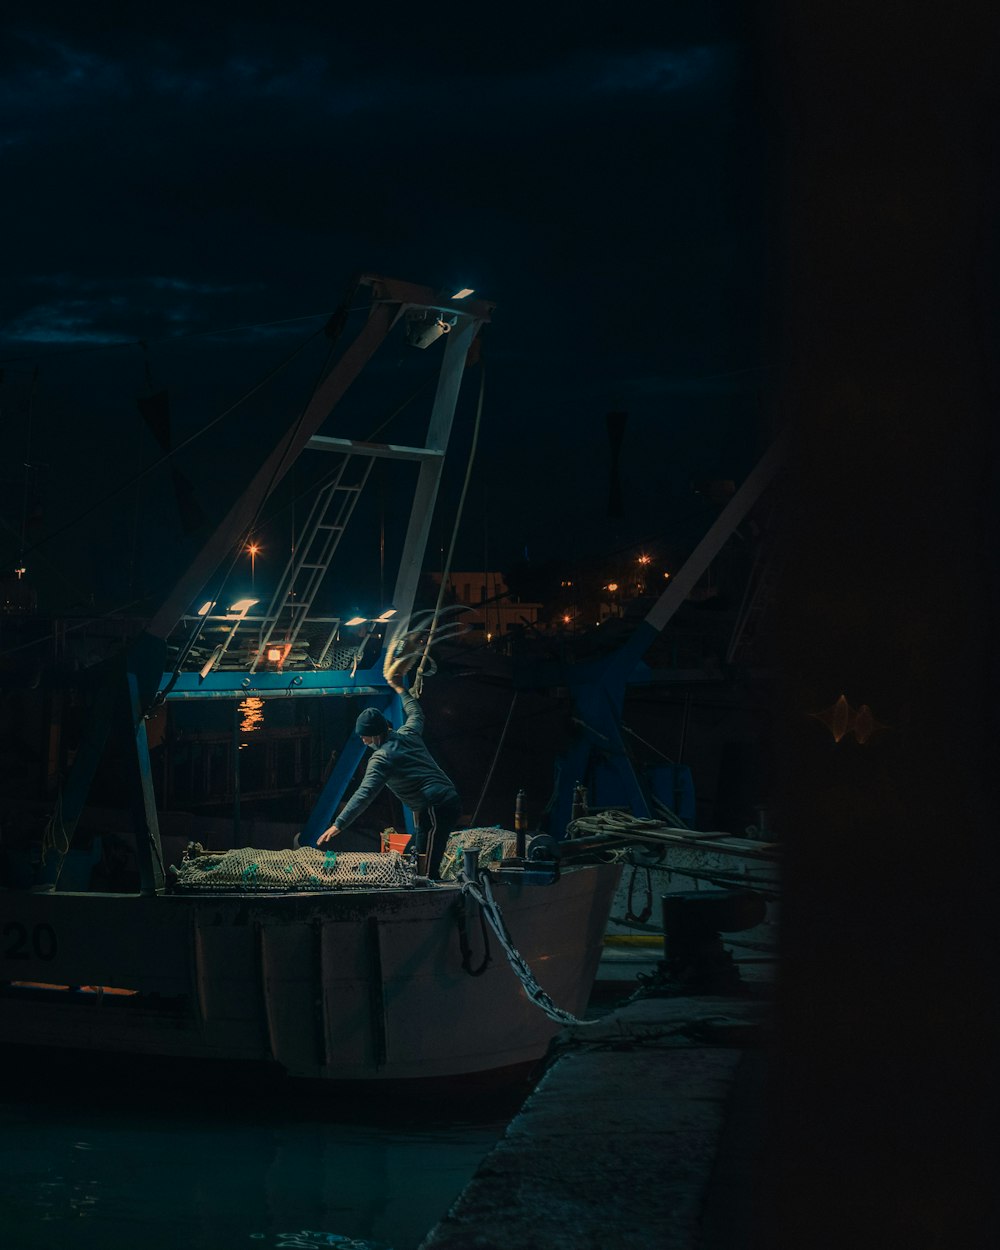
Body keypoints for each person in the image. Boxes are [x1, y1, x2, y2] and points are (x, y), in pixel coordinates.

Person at [317, 677, 461, 879]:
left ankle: (433, 889)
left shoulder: (382, 758)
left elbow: (364, 794)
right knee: (417, 850)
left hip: (436, 805)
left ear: (376, 735)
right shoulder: (407, 733)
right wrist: (401, 689)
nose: (362, 740)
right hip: (442, 801)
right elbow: (416, 713)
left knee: (429, 864)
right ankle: (423, 881)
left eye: (365, 736)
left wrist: (338, 824)